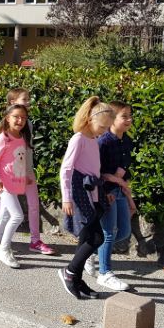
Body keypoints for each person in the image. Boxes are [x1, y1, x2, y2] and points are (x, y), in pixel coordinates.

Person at [0, 89, 56, 256]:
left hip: (26, 171)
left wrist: (27, 172)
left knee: (32, 205)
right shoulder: (7, 131)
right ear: (12, 103)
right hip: (11, 175)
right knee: (8, 208)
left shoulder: (27, 124)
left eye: (28, 99)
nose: (28, 102)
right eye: (24, 99)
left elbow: (26, 150)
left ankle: (35, 241)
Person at [57, 96, 114, 300]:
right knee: (96, 238)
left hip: (92, 195)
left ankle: (76, 279)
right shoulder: (79, 139)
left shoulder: (93, 140)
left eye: (107, 128)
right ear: (90, 119)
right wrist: (66, 198)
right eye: (102, 126)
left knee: (86, 238)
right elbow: (66, 169)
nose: (104, 131)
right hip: (79, 194)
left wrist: (101, 196)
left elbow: (94, 172)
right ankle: (69, 272)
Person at [95, 101, 138, 291]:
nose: (129, 119)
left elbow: (125, 169)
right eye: (124, 116)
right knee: (109, 232)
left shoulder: (127, 141)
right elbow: (96, 172)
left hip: (120, 191)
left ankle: (90, 253)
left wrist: (128, 195)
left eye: (130, 115)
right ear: (111, 118)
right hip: (107, 192)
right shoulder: (103, 142)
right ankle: (104, 273)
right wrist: (106, 189)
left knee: (124, 232)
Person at [0, 104, 33, 269]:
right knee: (17, 216)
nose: (20, 120)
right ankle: (4, 249)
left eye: (23, 118)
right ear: (7, 118)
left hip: (15, 183)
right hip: (4, 185)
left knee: (5, 216)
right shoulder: (3, 138)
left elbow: (16, 161)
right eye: (16, 117)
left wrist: (24, 176)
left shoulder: (22, 137)